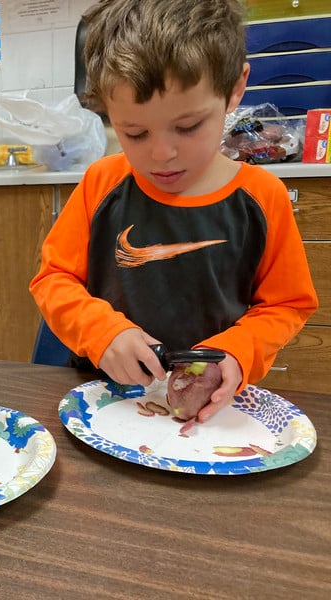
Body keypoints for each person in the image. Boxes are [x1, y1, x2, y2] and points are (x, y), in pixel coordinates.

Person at [30, 0, 318, 422]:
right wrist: (103, 333)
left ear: (235, 88)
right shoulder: (102, 183)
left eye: (188, 126)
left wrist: (238, 353)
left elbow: (287, 304)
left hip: (213, 413)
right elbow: (53, 279)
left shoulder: (263, 196)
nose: (161, 154)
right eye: (135, 132)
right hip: (109, 403)